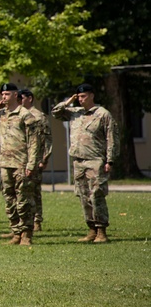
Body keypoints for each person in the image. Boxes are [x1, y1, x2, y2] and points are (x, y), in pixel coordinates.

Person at [52, 84, 120, 243]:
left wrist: (110, 160)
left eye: (83, 96)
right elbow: (56, 112)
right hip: (78, 161)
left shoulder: (103, 114)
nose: (80, 100)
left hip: (96, 161)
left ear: (92, 95)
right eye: (78, 97)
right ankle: (91, 229)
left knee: (97, 195)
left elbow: (112, 138)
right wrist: (69, 101)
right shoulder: (75, 113)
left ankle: (101, 231)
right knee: (83, 196)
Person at [0, 83, 42, 246]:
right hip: (5, 163)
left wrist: (31, 163)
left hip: (21, 163)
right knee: (9, 199)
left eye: (7, 94)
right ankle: (15, 232)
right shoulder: (1, 114)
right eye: (2, 94)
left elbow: (34, 142)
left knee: (24, 199)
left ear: (15, 95)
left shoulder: (25, 115)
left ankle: (26, 234)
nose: (4, 97)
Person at [21, 89, 53, 231]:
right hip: (20, 158)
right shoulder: (18, 115)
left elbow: (47, 140)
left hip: (36, 158)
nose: (19, 100)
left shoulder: (39, 116)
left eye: (21, 97)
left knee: (34, 191)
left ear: (30, 98)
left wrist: (44, 159)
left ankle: (36, 220)